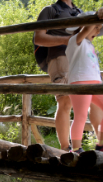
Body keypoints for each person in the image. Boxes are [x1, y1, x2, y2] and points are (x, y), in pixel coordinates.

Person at [35, 2, 103, 150]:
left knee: (94, 106)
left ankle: (99, 144)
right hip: (60, 56)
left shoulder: (78, 11)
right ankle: (68, 149)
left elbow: (90, 30)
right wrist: (69, 39)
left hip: (85, 65)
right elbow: (38, 38)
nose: (97, 31)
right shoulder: (50, 10)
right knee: (66, 102)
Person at [66, 21, 103, 152]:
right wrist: (96, 17)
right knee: (81, 115)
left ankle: (101, 144)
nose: (98, 31)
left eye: (100, 28)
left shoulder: (89, 44)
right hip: (80, 81)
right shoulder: (75, 41)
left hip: (96, 83)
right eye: (96, 28)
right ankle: (76, 149)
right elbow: (87, 28)